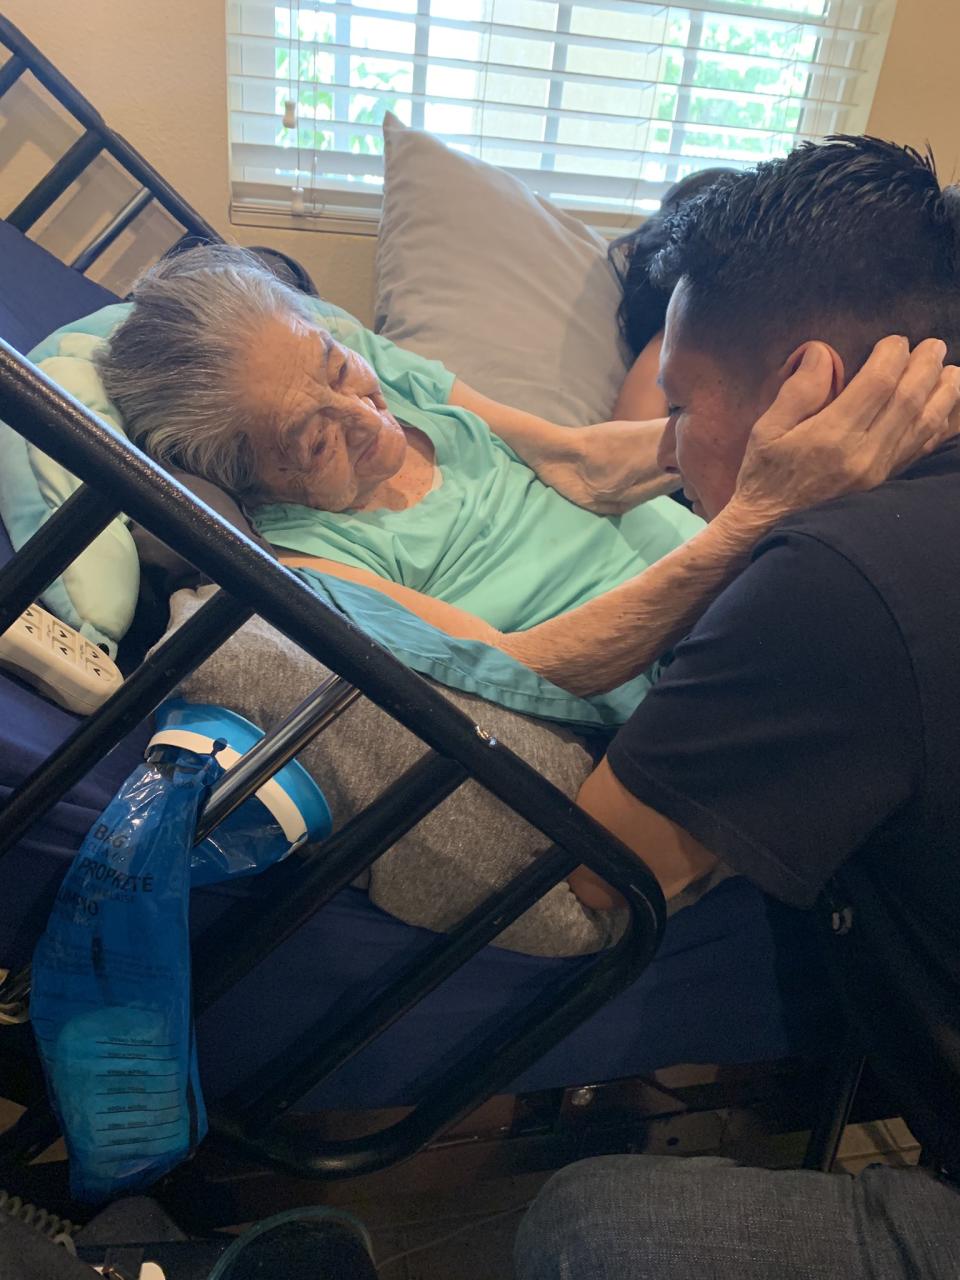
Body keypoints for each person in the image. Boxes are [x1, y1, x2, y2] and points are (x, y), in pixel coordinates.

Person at [515, 136, 960, 1279]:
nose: (669, 448)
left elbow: (604, 867)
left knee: (587, 1230)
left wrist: (753, 518)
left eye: (681, 405)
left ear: (801, 388)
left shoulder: (831, 572)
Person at [94, 244, 954, 718]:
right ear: (256, 483)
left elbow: (575, 459)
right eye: (315, 439)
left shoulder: (402, 390)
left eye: (337, 365)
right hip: (697, 665)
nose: (367, 416)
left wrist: (751, 425)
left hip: (756, 577)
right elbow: (527, 667)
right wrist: (761, 509)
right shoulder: (318, 565)